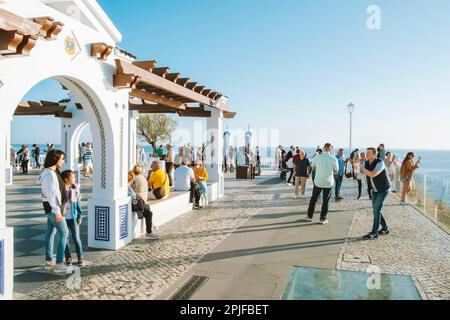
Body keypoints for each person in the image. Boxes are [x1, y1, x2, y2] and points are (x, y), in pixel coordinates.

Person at [40, 150, 70, 273]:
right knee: (64, 233)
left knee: (50, 233)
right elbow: (52, 194)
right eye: (61, 159)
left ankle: (48, 260)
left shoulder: (52, 172)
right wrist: (57, 211)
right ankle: (59, 262)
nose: (63, 161)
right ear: (55, 159)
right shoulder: (49, 174)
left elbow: (57, 190)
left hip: (52, 207)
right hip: (53, 208)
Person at [361, 147, 391, 240]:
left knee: (376, 210)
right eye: (366, 153)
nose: (366, 155)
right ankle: (385, 229)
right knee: (376, 210)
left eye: (369, 153)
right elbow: (360, 172)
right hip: (374, 190)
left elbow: (373, 174)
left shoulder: (380, 163)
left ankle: (374, 233)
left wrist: (363, 169)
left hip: (383, 189)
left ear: (374, 154)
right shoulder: (366, 163)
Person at [306, 143, 339, 224]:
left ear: (323, 148)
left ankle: (309, 216)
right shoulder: (334, 159)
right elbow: (336, 171)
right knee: (326, 201)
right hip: (328, 182)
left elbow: (313, 167)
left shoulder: (317, 157)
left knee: (313, 199)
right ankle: (322, 218)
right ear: (330, 149)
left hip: (318, 181)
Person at [61, 170, 85, 267]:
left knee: (77, 238)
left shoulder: (75, 188)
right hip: (64, 218)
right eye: (73, 177)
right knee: (65, 239)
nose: (74, 179)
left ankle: (80, 256)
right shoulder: (60, 189)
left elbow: (77, 203)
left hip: (74, 217)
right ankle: (68, 257)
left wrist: (80, 215)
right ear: (66, 179)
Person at [129, 170, 159, 240]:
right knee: (149, 213)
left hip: (135, 203)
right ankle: (148, 233)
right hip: (133, 204)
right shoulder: (129, 186)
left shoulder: (130, 185)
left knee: (147, 207)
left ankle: (149, 225)